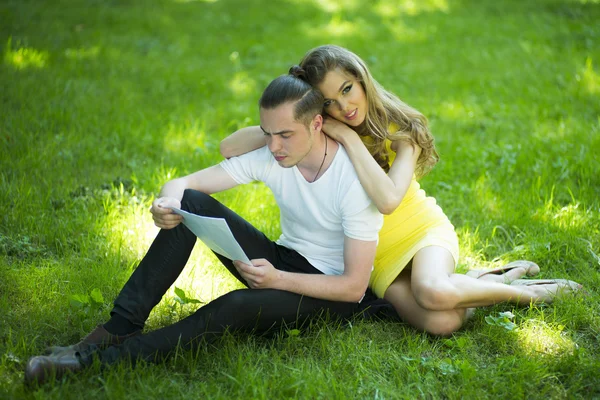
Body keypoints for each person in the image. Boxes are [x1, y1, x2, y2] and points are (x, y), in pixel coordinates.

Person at [24, 74, 389, 386]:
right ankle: (121, 326)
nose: (274, 146)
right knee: (191, 202)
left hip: (331, 294)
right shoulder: (277, 155)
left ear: (316, 124)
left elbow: (353, 287)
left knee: (235, 305)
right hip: (284, 260)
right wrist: (165, 205)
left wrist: (277, 279)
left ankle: (96, 363)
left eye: (285, 134)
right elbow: (186, 183)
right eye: (267, 134)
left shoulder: (352, 181)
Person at [220, 45, 582, 336]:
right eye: (329, 101)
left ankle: (528, 294)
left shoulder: (398, 130)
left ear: (362, 79)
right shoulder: (317, 130)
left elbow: (389, 200)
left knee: (433, 291)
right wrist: (283, 125)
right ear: (317, 108)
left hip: (419, 232)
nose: (344, 107)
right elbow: (229, 148)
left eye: (347, 89)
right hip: (377, 257)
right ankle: (481, 279)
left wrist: (347, 137)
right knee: (441, 323)